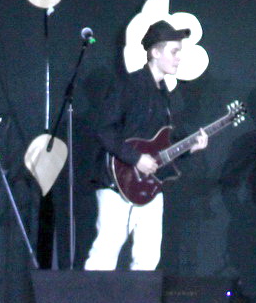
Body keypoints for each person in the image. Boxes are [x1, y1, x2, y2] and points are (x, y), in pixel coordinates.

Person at [84, 20, 208, 270]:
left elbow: (160, 146)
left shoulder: (164, 95)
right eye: (174, 51)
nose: (179, 58)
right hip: (117, 183)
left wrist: (189, 149)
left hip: (150, 186)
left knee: (148, 257)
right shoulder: (128, 85)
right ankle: (91, 298)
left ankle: (139, 298)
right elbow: (104, 129)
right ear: (155, 52)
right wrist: (135, 158)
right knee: (106, 252)